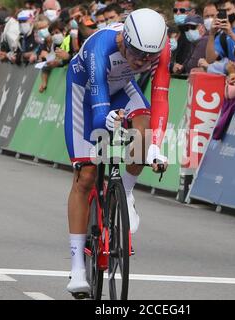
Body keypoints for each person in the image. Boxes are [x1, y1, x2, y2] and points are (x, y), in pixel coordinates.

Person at [65, 8, 171, 295]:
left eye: (149, 57)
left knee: (144, 128)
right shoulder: (101, 46)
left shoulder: (160, 49)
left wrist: (154, 148)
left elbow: (160, 97)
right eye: (137, 53)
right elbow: (100, 114)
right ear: (124, 38)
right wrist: (111, 119)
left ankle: (125, 191)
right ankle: (76, 267)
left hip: (122, 86)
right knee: (86, 176)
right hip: (85, 93)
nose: (142, 61)